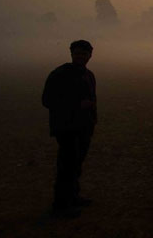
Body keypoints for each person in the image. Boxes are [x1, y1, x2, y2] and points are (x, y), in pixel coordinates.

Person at [42, 40, 97, 218]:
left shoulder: (88, 75)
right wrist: (76, 105)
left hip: (84, 126)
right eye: (77, 53)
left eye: (84, 54)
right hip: (67, 127)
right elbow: (48, 100)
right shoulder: (60, 74)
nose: (81, 57)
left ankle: (73, 196)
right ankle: (61, 205)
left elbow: (91, 99)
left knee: (76, 163)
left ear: (90, 55)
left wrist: (91, 120)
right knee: (67, 165)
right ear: (71, 54)